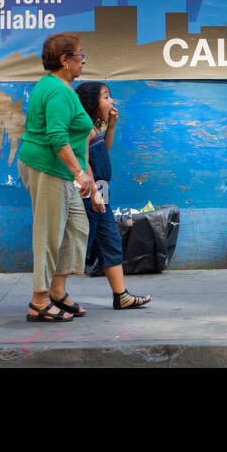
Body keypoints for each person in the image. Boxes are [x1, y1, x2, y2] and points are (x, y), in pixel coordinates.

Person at [17, 33, 103, 323]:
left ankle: (57, 291)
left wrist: (88, 180)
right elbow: (56, 136)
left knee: (76, 227)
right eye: (79, 55)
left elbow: (79, 142)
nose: (83, 60)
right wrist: (79, 173)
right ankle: (38, 300)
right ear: (64, 60)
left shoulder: (62, 87)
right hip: (48, 167)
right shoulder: (56, 90)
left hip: (64, 170)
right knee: (49, 233)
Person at [76, 82, 150, 310]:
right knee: (78, 245)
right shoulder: (83, 128)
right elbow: (82, 161)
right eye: (106, 97)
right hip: (91, 194)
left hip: (101, 192)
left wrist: (111, 127)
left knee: (110, 241)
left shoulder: (95, 128)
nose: (112, 101)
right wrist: (95, 193)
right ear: (91, 103)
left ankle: (121, 295)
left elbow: (103, 152)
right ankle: (53, 294)